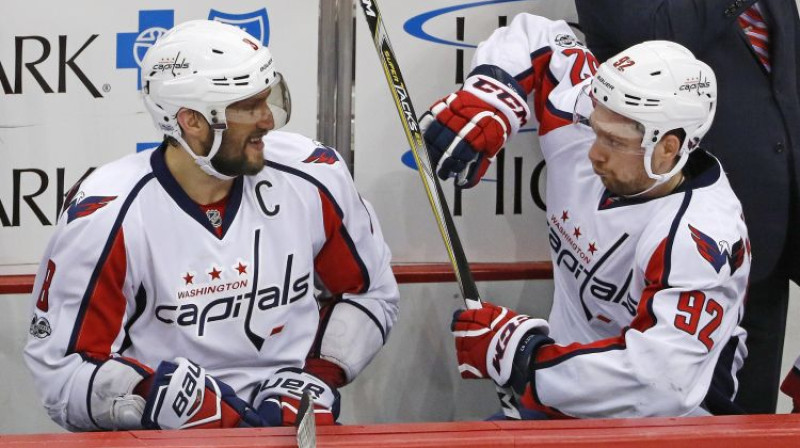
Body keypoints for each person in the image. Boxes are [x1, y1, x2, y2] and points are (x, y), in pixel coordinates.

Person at [23, 19, 399, 431]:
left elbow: (369, 291)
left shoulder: (312, 176)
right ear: (191, 121)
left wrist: (313, 379)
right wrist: (152, 397)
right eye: (246, 107)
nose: (267, 121)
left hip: (295, 430)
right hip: (164, 441)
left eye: (267, 100)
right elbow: (63, 368)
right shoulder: (107, 215)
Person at [422, 14, 750, 418]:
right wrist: (492, 97)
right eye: (596, 130)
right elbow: (537, 35)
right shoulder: (592, 117)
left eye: (614, 141)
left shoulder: (702, 236)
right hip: (561, 397)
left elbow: (661, 382)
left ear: (668, 148)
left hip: (665, 425)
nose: (593, 152)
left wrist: (523, 356)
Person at [573, 0, 800, 415]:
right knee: (676, 417)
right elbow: (659, 36)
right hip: (672, 248)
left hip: (769, 232)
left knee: (749, 422)